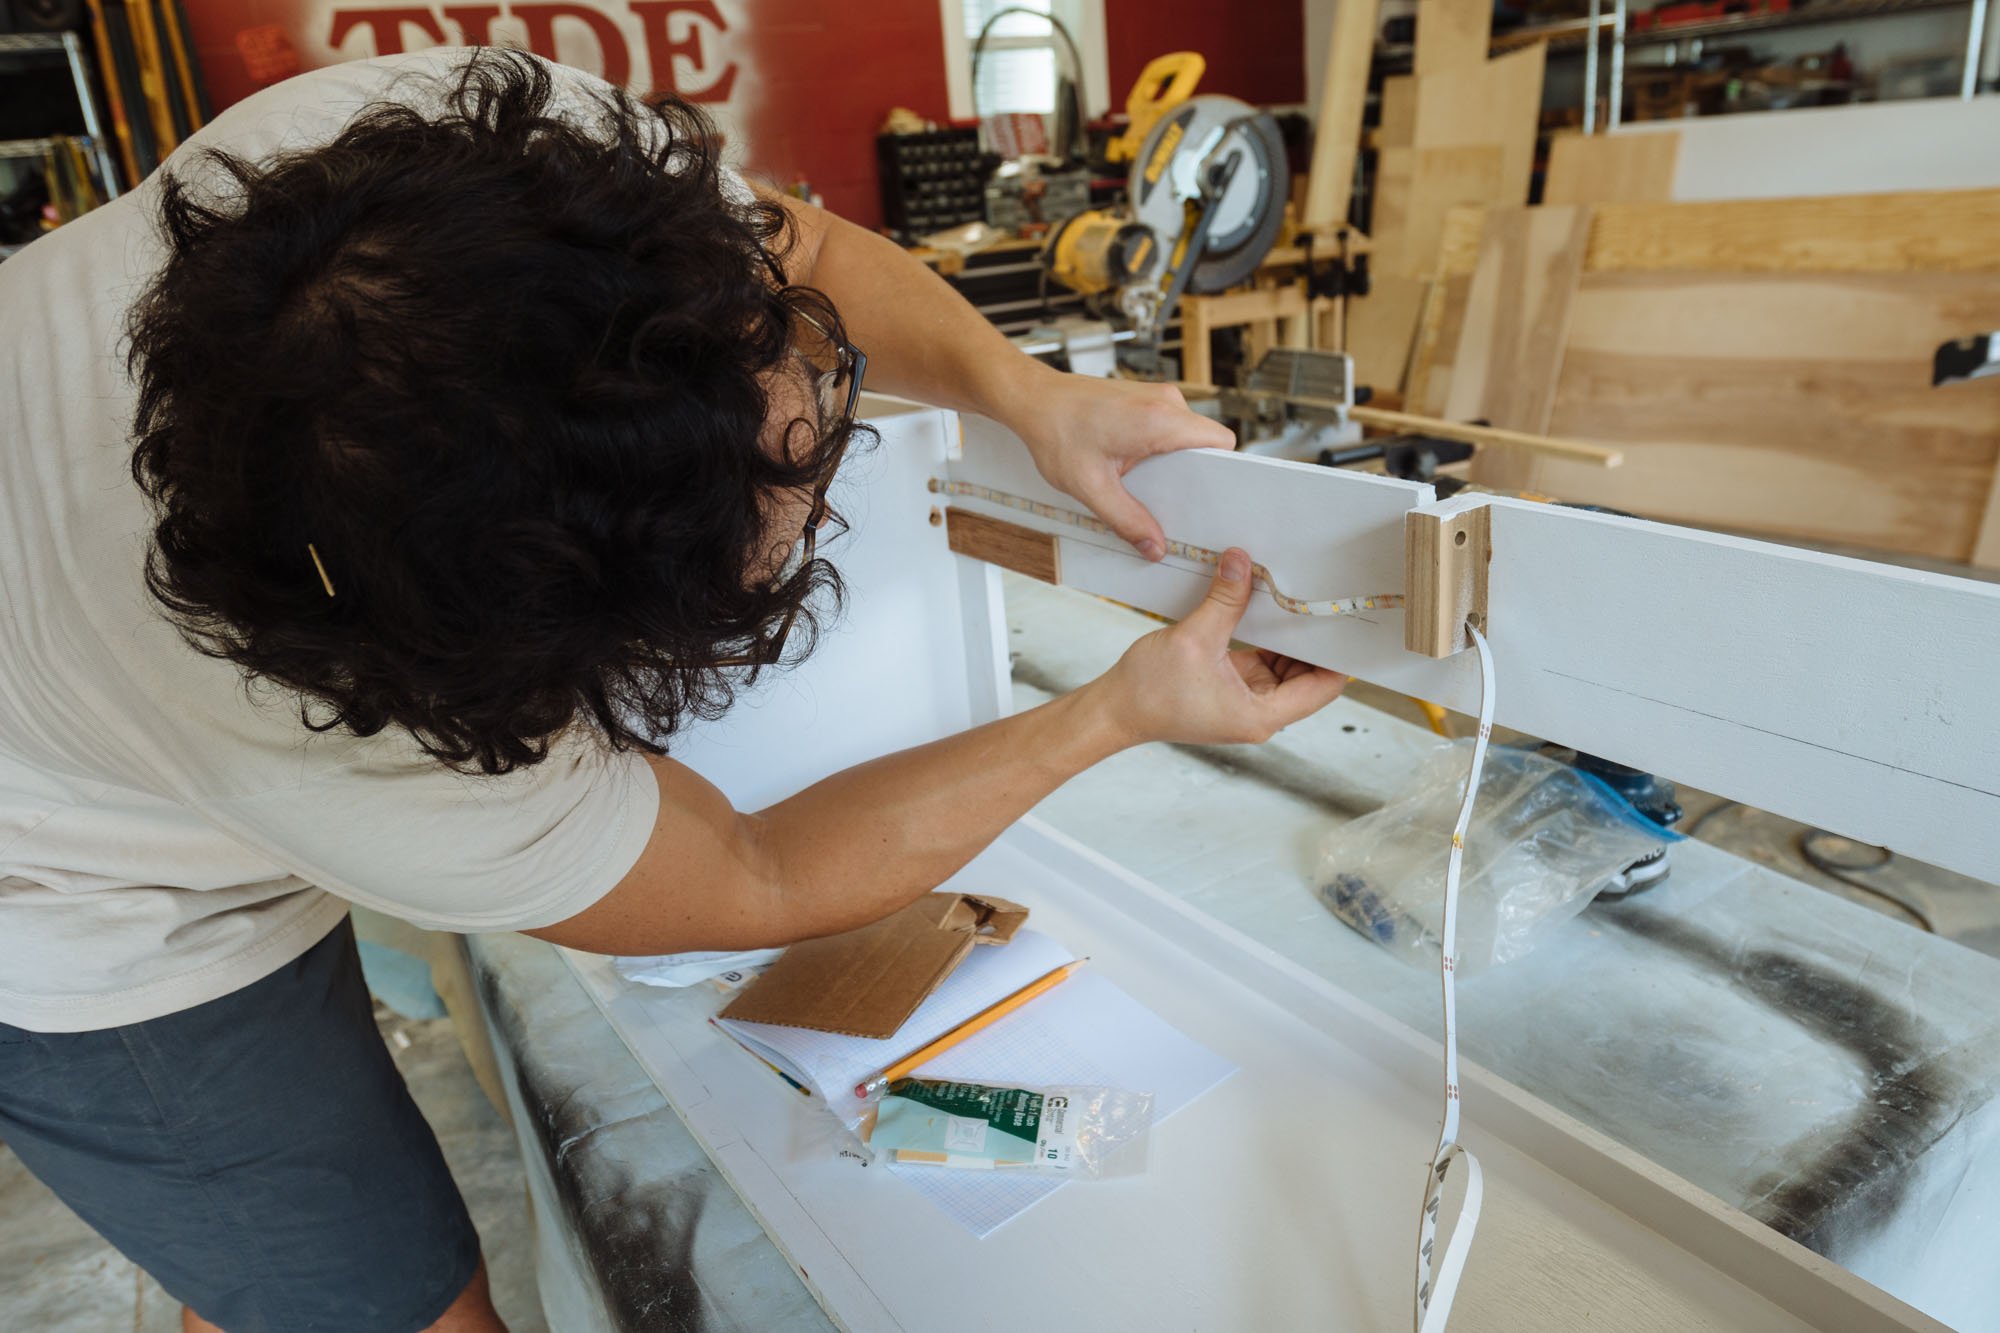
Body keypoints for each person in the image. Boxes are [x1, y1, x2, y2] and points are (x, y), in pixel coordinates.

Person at [0, 47, 1347, 1332]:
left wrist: (1027, 392)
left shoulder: (461, 160)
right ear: (564, 656)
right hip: (62, 898)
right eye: (785, 514)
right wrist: (1113, 711)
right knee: (362, 1293)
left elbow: (801, 248)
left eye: (799, 363)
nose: (831, 444)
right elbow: (755, 868)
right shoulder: (360, 764)